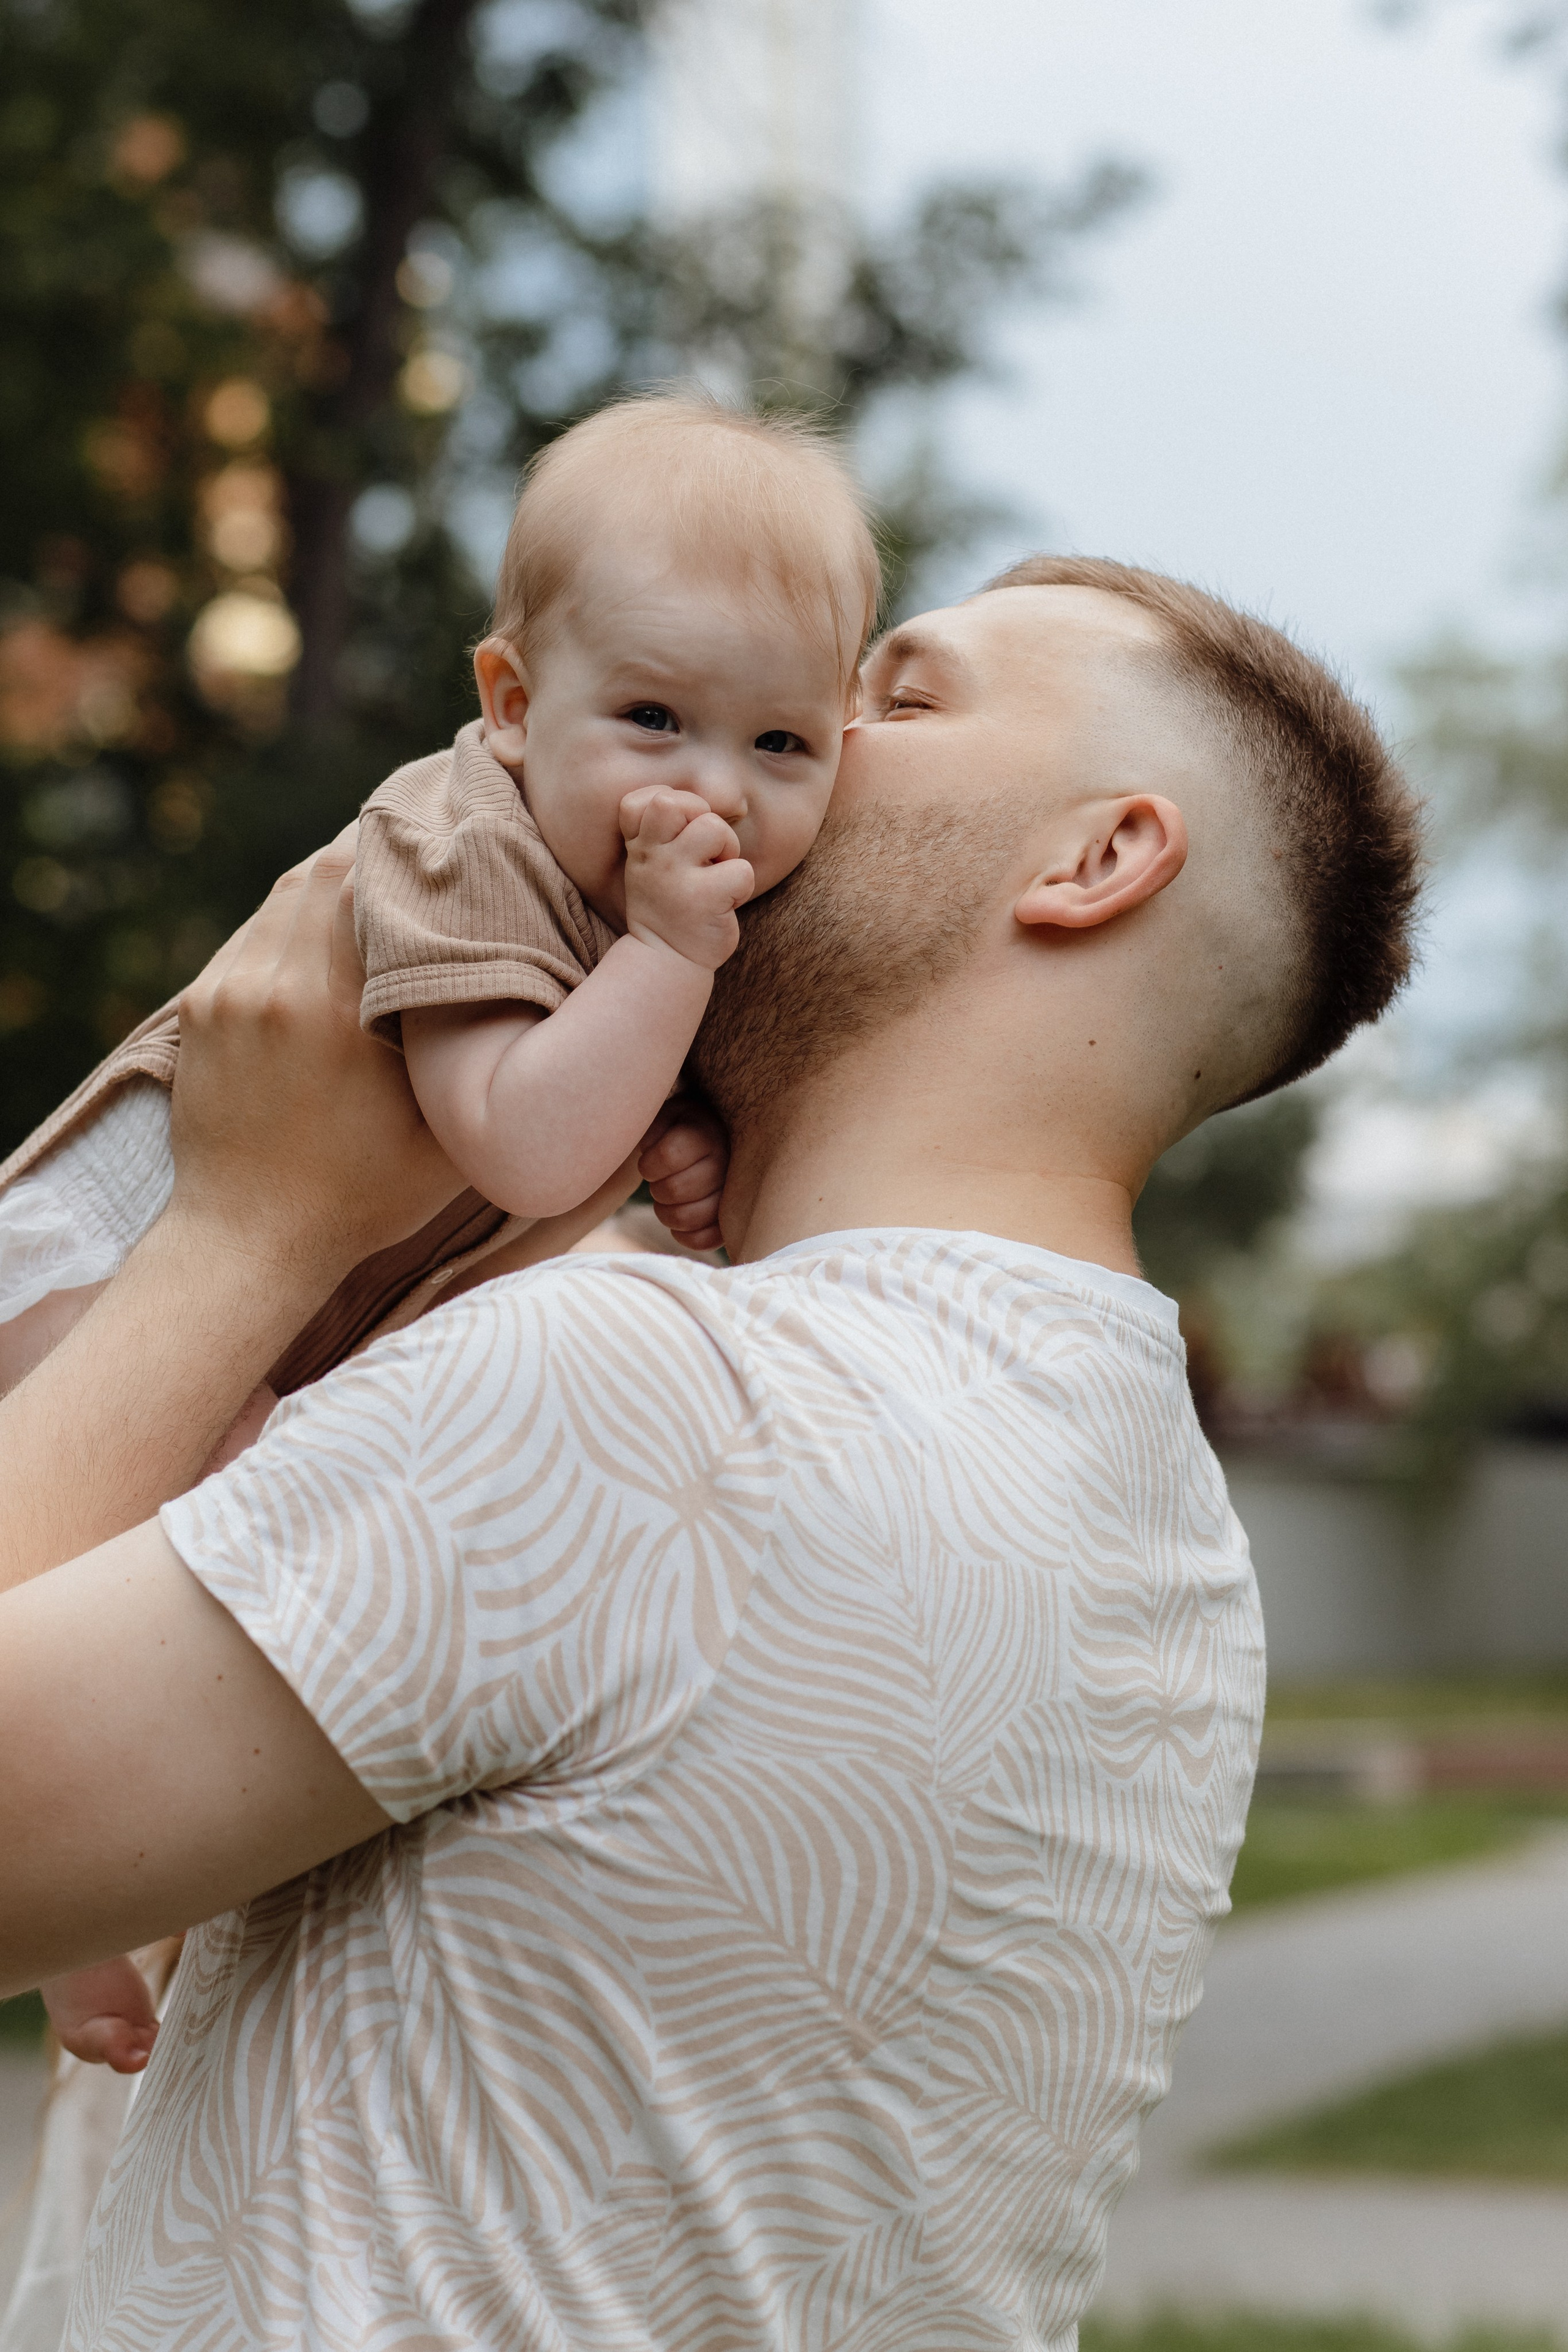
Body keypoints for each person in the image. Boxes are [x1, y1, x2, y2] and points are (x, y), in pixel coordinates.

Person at [0, 558, 1420, 2351]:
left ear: (1095, 864)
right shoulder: (1176, 1559)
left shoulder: (645, 1406)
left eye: (895, 701)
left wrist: (247, 1227)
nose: (795, 736)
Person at [6, 392, 878, 2077]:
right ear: (511, 700)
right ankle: (77, 1908)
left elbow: (598, 1117)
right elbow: (531, 1132)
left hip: (271, 1301)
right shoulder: (460, 837)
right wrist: (674, 979)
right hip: (84, 1260)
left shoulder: (653, 905)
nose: (715, 791)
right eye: (652, 719)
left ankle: (90, 1918)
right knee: (162, 1570)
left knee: (181, 1564)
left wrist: (686, 1133)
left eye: (784, 748)